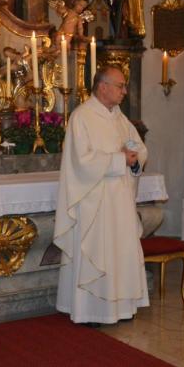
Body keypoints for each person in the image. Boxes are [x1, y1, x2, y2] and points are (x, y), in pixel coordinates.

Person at [53, 66, 149, 326]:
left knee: (120, 252)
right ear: (103, 86)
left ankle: (122, 308)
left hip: (120, 199)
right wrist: (120, 160)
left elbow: (139, 148)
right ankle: (92, 311)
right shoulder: (82, 117)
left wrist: (134, 159)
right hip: (94, 201)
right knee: (98, 251)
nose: (124, 92)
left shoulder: (119, 117)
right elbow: (81, 161)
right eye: (120, 86)